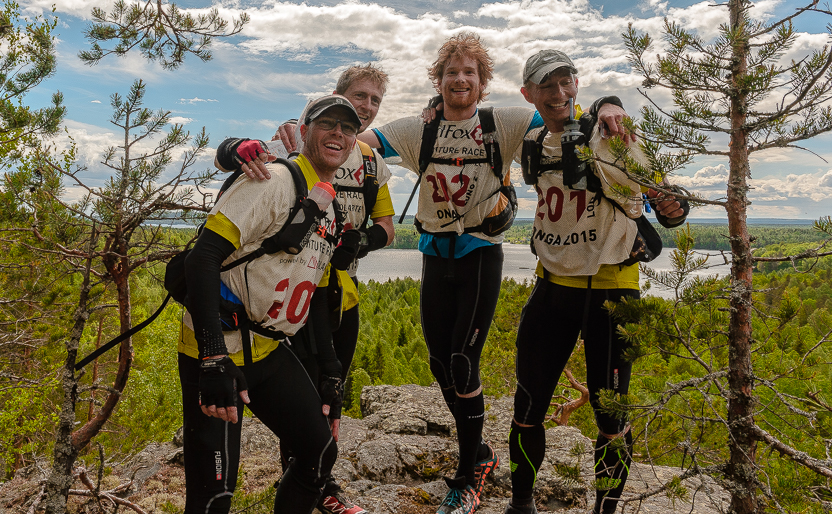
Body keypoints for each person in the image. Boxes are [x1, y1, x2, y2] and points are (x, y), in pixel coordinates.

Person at [356, 33, 629, 514]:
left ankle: (470, 471)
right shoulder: (419, 129)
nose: (460, 79)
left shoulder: (503, 121)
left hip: (481, 253)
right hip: (432, 254)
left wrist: (608, 101)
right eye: (450, 73)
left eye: (470, 73)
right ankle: (481, 451)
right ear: (437, 81)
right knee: (441, 365)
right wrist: (303, 137)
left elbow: (563, 112)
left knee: (463, 362)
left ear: (484, 84)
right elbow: (359, 141)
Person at [506, 50, 690, 514]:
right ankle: (521, 503)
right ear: (529, 94)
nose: (559, 93)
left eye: (567, 82)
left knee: (611, 415)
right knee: (527, 408)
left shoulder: (613, 134)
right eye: (547, 85)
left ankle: (605, 510)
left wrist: (673, 206)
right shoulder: (530, 142)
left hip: (612, 292)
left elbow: (668, 202)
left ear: (577, 85)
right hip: (551, 290)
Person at [214, 64, 395, 514]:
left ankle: (319, 485)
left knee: (329, 391)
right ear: (335, 96)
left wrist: (363, 241)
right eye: (359, 96)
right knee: (302, 392)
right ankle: (301, 478)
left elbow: (388, 227)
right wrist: (238, 147)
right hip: (288, 292)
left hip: (338, 291)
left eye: (375, 100)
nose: (366, 107)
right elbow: (231, 159)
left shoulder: (372, 164)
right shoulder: (299, 137)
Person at [179, 96, 362, 514]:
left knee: (319, 453)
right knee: (213, 496)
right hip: (218, 347)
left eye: (347, 128)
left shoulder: (328, 203)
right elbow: (201, 258)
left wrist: (331, 370)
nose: (338, 133)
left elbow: (310, 289)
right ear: (303, 131)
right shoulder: (273, 180)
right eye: (327, 123)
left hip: (267, 350)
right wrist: (212, 356)